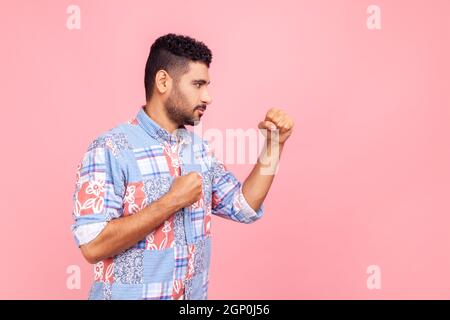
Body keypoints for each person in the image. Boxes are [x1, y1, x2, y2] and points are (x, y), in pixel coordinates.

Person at [71, 33, 294, 300]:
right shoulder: (110, 149)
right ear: (163, 81)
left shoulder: (199, 151)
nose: (208, 97)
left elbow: (243, 206)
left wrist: (274, 145)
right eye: (198, 84)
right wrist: (171, 201)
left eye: (208, 85)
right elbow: (93, 245)